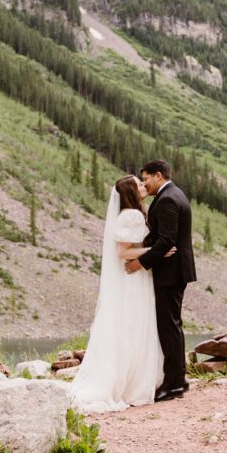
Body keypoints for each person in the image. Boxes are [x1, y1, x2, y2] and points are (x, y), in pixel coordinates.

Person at [70, 175, 170, 413]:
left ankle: (130, 381)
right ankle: (130, 384)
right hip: (133, 279)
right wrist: (157, 251)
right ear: (130, 193)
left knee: (130, 326)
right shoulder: (132, 215)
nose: (143, 186)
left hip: (135, 277)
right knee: (133, 326)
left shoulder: (130, 214)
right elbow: (123, 252)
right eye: (138, 185)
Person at [125, 159, 196, 401]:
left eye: (146, 179)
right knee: (172, 326)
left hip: (171, 272)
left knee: (169, 327)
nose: (145, 183)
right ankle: (178, 379)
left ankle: (174, 383)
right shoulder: (174, 194)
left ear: (158, 175)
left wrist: (138, 263)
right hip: (173, 271)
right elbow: (160, 238)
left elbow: (166, 240)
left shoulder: (166, 199)